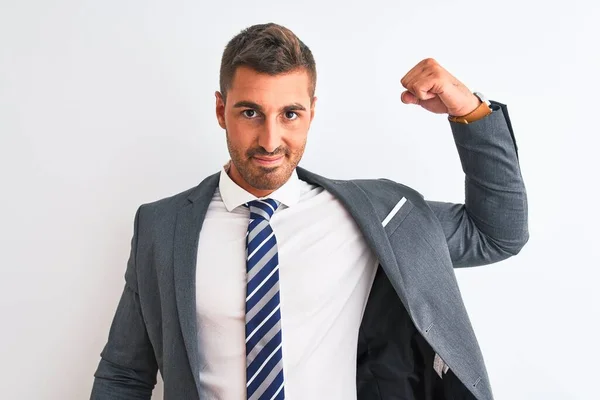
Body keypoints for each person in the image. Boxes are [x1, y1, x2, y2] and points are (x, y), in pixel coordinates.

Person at [90, 23, 528, 400]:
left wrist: (468, 110)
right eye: (250, 112)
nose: (269, 139)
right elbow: (125, 373)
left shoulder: (372, 217)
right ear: (222, 110)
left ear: (312, 113)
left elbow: (497, 234)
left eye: (290, 114)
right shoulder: (162, 227)